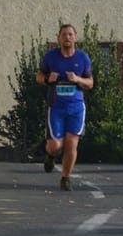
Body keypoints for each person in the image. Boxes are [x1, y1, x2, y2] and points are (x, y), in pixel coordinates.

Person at [36, 23, 94, 191]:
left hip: (76, 108)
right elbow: (39, 76)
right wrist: (48, 79)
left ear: (75, 37)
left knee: (71, 144)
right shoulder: (51, 57)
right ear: (59, 38)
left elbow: (90, 83)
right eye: (64, 35)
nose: (67, 38)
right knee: (55, 146)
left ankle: (65, 178)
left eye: (70, 34)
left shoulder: (83, 58)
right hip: (56, 108)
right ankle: (50, 156)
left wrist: (77, 79)